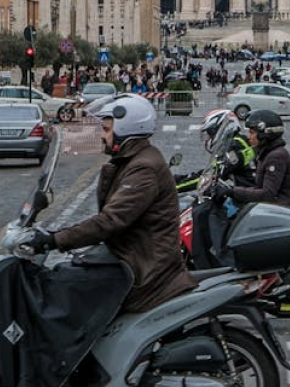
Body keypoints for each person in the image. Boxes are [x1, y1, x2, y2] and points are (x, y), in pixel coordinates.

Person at [26, 94, 195, 312]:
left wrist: (54, 239)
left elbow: (110, 221)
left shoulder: (143, 168)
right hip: (132, 257)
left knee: (65, 287)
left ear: (125, 129)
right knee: (70, 274)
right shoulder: (134, 160)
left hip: (144, 270)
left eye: (106, 129)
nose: (102, 136)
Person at [219, 109, 290, 210]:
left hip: (283, 210)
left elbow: (267, 194)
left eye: (252, 132)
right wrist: (232, 191)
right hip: (273, 208)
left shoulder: (275, 157)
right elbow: (258, 188)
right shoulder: (265, 153)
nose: (248, 137)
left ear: (265, 134)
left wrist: (232, 191)